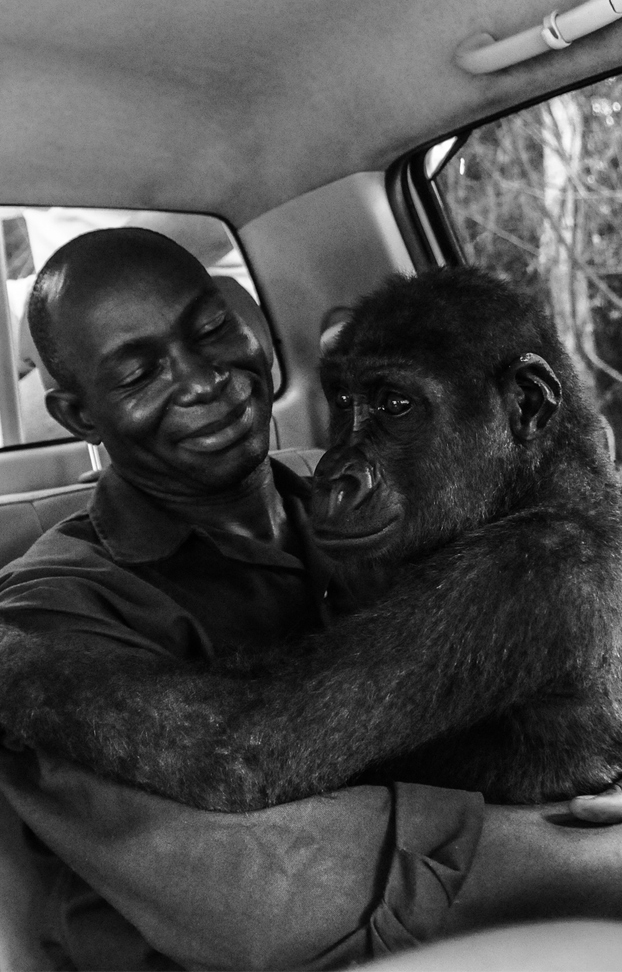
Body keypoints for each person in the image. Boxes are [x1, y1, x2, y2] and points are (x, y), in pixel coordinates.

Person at [0, 226, 621, 971]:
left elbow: (255, 746)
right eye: (138, 376)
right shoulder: (56, 607)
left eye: (212, 330)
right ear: (78, 417)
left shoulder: (464, 521)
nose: (205, 381)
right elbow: (254, 897)